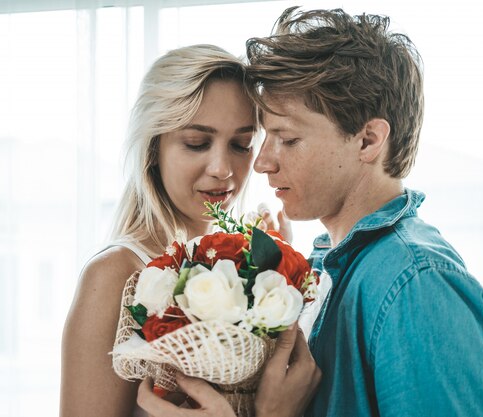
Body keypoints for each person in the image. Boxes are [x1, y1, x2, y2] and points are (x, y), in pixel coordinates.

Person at [137, 7, 483, 417]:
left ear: (368, 140)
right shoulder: (330, 267)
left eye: (287, 138)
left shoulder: (418, 285)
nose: (262, 162)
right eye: (265, 138)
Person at [59, 44, 308, 417]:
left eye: (241, 145)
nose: (223, 168)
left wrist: (276, 275)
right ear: (153, 148)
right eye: (197, 143)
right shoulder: (113, 275)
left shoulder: (245, 265)